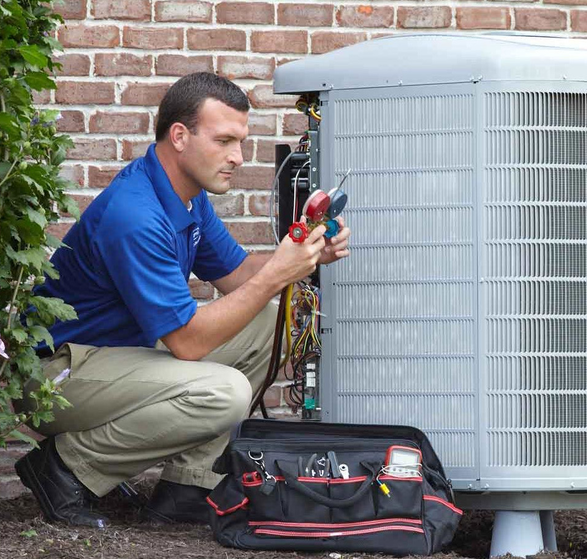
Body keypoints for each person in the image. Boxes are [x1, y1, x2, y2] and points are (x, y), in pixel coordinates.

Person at [13, 72, 350, 528]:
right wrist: (276, 274)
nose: (237, 157)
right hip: (56, 377)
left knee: (275, 322)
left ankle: (187, 488)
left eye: (242, 142)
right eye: (225, 141)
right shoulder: (135, 213)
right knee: (223, 392)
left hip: (116, 357)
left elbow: (237, 278)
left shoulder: (186, 197)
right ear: (180, 136)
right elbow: (188, 344)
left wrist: (306, 255)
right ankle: (66, 468)